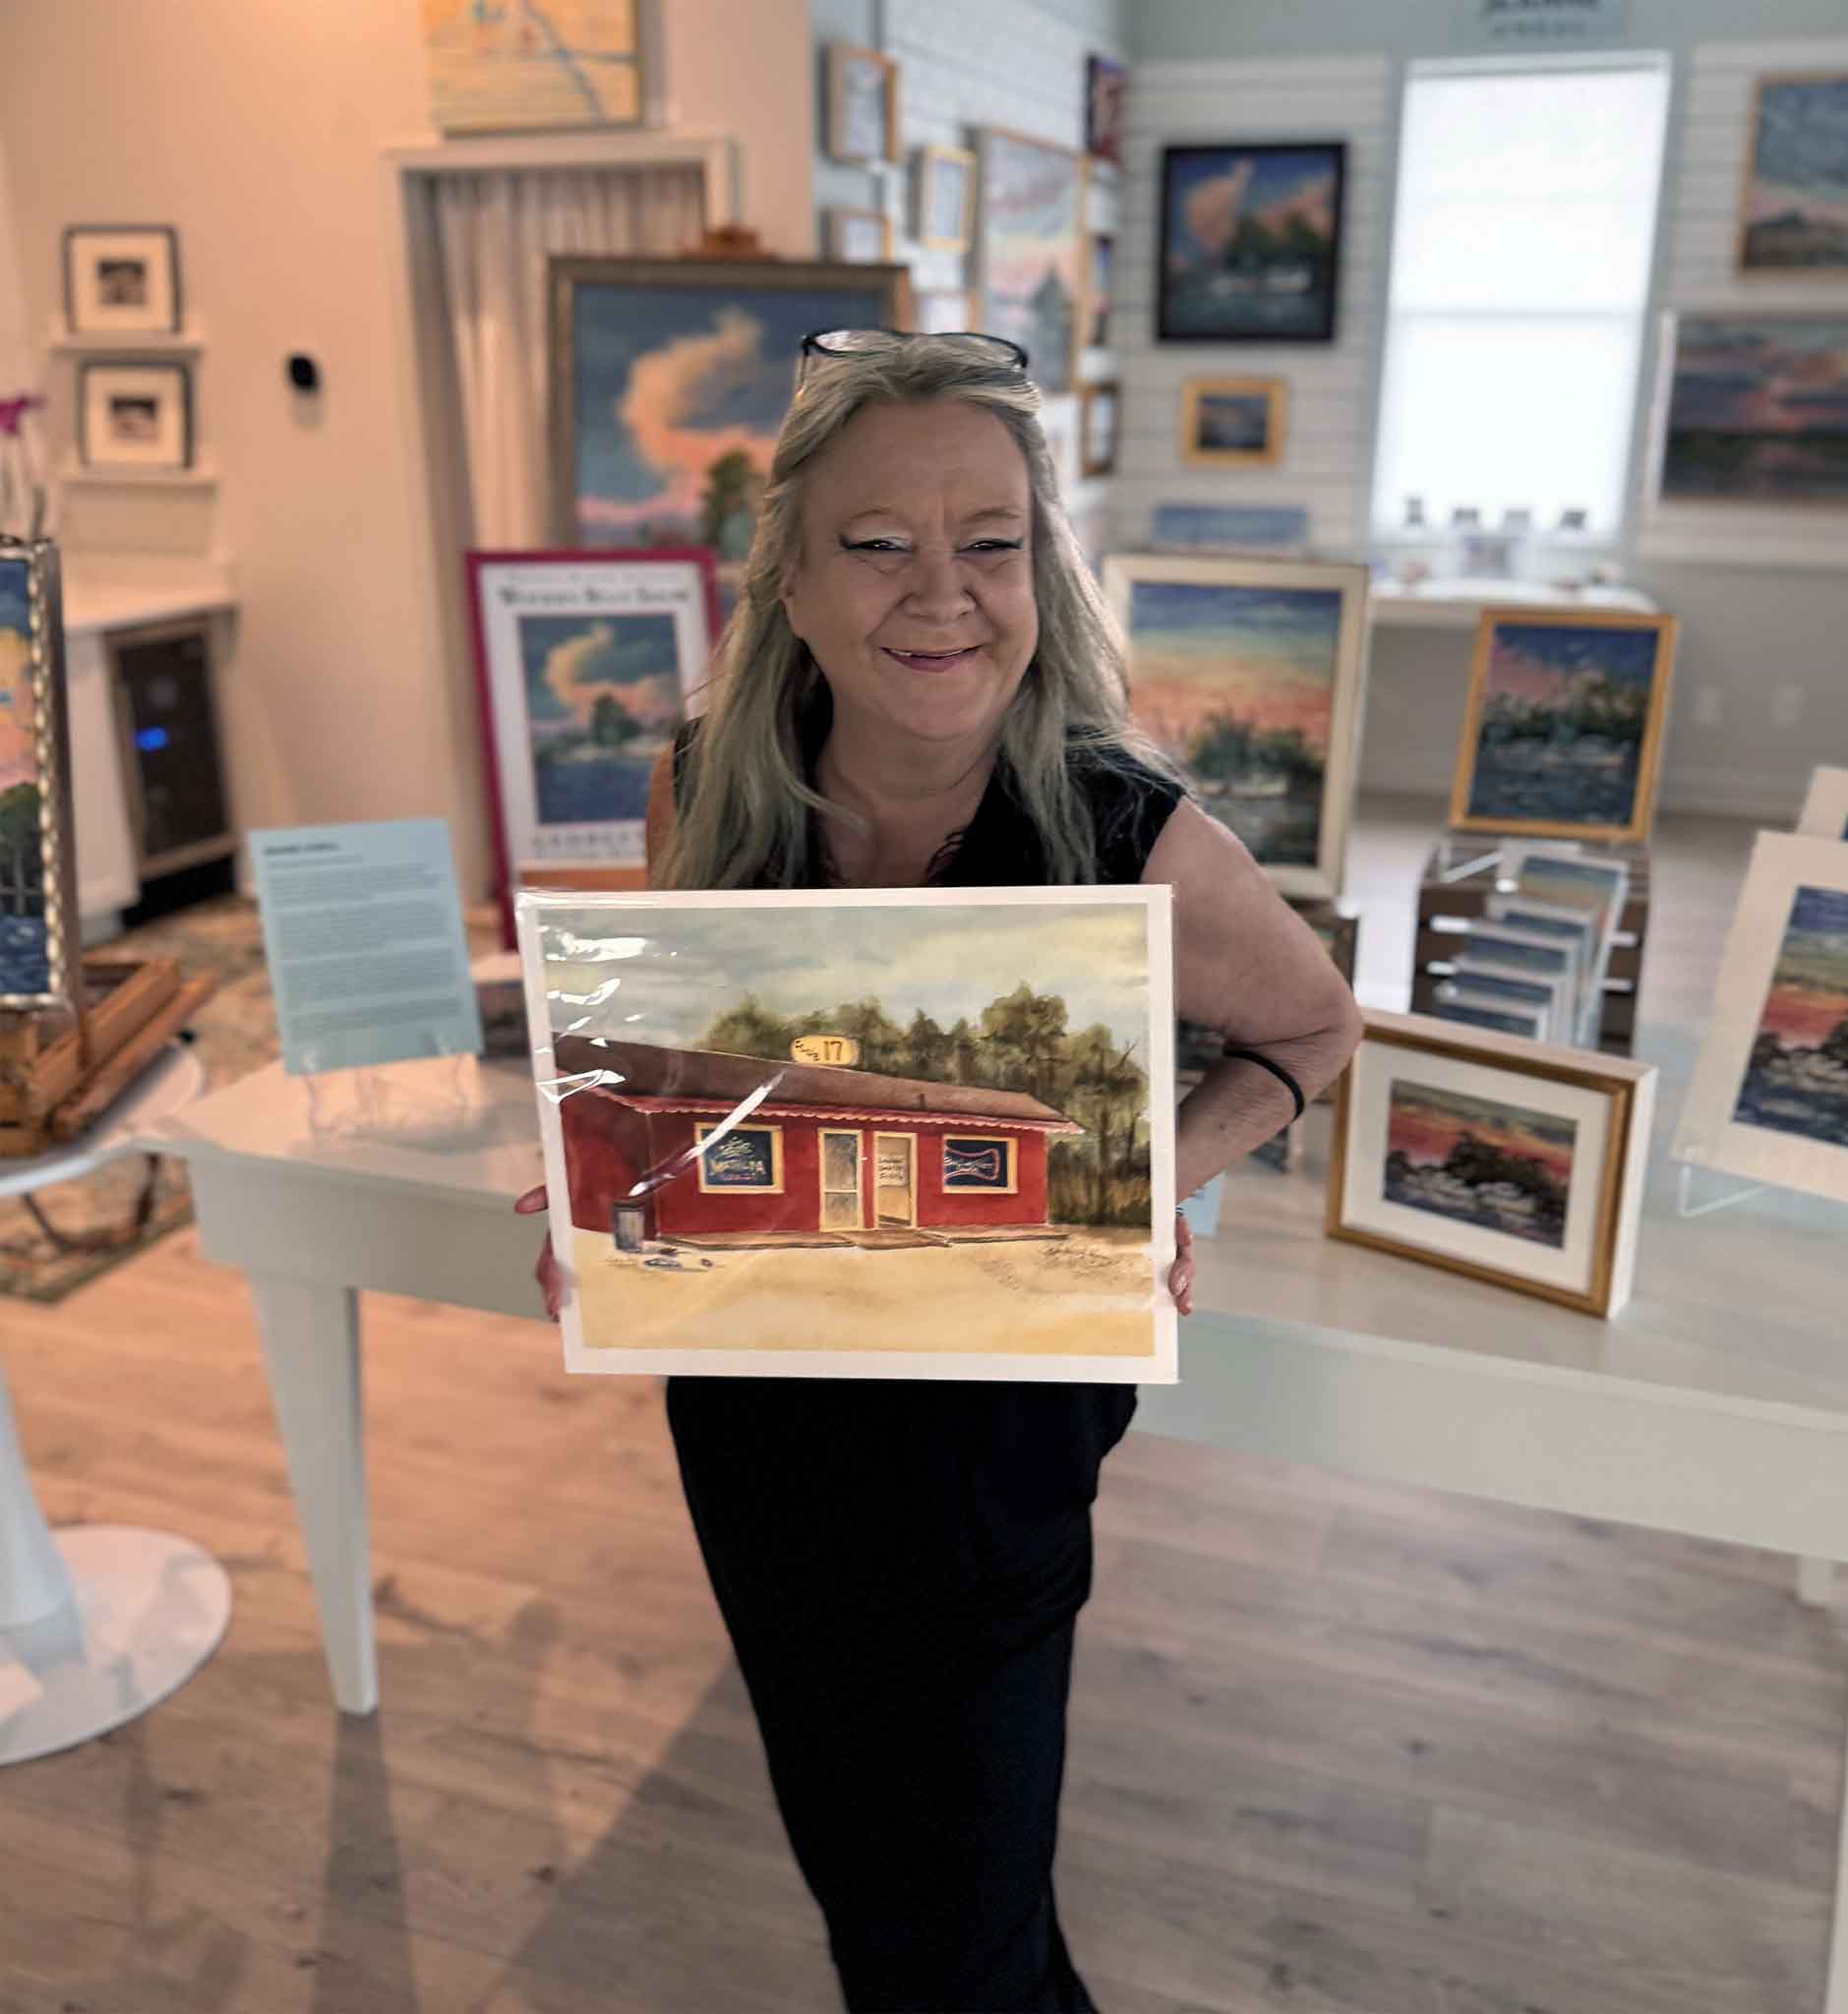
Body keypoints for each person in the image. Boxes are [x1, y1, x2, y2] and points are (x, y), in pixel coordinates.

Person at [517, 328, 1361, 2012]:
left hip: (993, 1446)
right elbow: (689, 1078)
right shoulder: (706, 784)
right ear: (792, 576)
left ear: (1040, 569)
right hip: (756, 1419)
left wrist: (1151, 1178)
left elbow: (1312, 1031)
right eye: (878, 543)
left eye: (989, 542)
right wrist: (606, 1158)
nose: (942, 594)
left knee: (952, 1926)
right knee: (870, 1869)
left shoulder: (1128, 834)